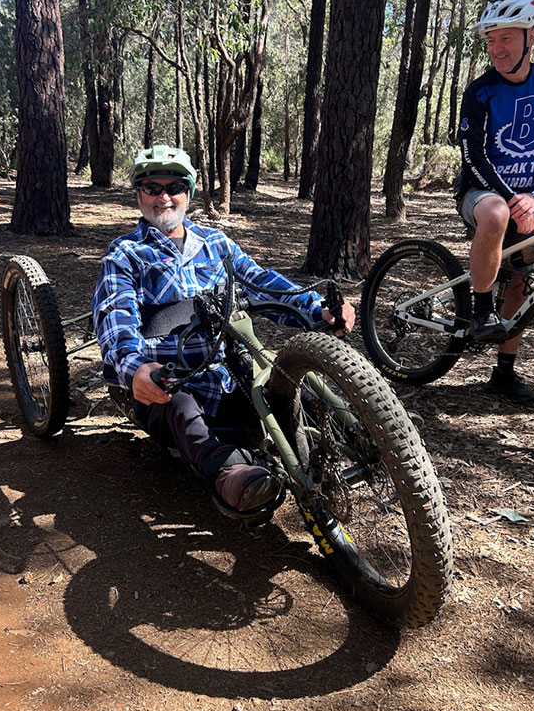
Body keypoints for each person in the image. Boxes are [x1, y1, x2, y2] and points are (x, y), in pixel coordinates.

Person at [93, 145, 354, 519]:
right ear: (138, 196)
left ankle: (377, 434)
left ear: (190, 193)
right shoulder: (126, 254)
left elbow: (264, 283)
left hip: (232, 372)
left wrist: (318, 310)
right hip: (168, 382)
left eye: (174, 186)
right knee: (178, 404)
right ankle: (232, 474)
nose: (164, 197)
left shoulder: (216, 244)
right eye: (152, 187)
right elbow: (115, 316)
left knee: (294, 381)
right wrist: (134, 368)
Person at [456, 0, 534, 404]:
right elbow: (471, 155)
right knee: (494, 215)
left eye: (505, 38)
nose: (496, 48)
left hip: (529, 198)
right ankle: (480, 310)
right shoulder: (480, 91)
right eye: (490, 40)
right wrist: (511, 199)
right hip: (482, 191)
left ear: (532, 36)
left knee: (525, 279)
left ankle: (504, 372)